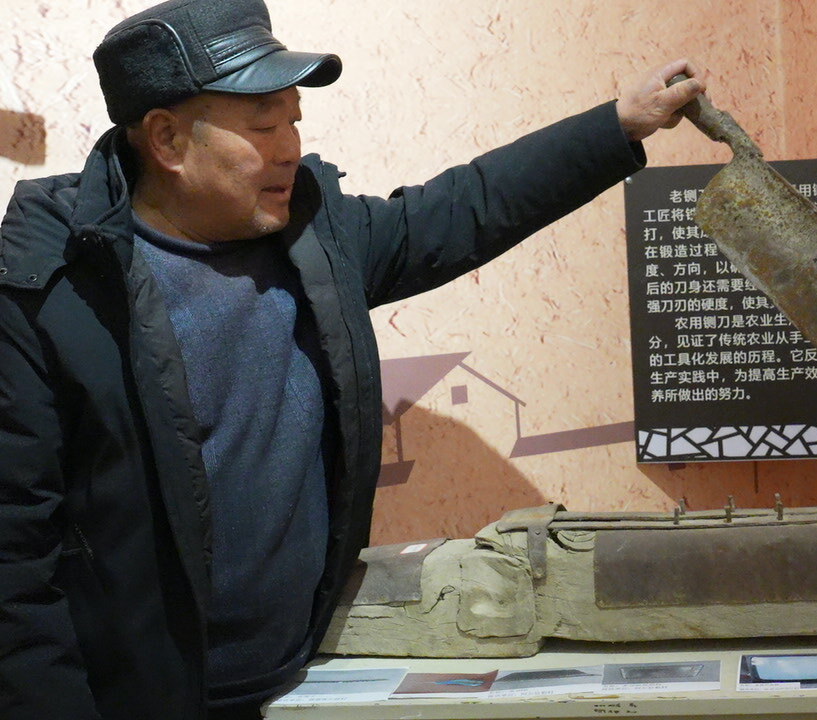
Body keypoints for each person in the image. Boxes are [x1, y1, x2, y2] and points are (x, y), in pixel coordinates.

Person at [0, 0, 706, 718]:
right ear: (168, 139)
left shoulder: (317, 238)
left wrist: (619, 125)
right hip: (131, 701)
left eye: (295, 119)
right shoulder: (52, 286)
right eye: (264, 126)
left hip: (300, 685)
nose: (290, 148)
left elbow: (464, 209)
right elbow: (15, 555)